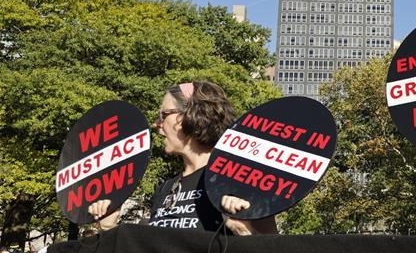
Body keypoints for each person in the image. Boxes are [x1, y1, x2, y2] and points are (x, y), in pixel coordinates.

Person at [89, 81, 277, 235]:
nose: (157, 124)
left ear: (190, 115)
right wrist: (108, 227)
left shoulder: (239, 181)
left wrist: (246, 233)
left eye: (163, 115)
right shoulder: (165, 188)